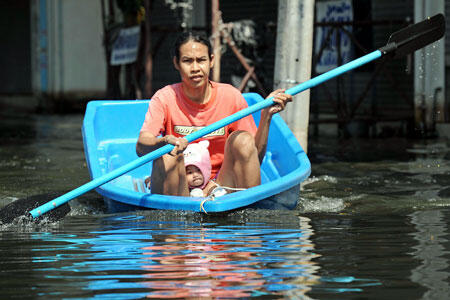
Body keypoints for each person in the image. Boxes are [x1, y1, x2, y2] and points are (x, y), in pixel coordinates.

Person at [136, 31, 292, 197]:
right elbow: (141, 146)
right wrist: (164, 141)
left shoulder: (231, 96)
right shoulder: (164, 97)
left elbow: (254, 160)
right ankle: (175, 219)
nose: (195, 68)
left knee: (243, 139)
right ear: (176, 63)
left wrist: (266, 116)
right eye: (187, 61)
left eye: (201, 60)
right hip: (180, 188)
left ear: (211, 60)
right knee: (167, 154)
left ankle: (249, 214)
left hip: (220, 186)